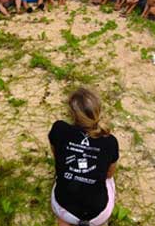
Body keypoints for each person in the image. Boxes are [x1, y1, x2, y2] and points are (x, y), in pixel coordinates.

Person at [49, 88, 119, 226]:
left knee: (63, 179)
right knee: (109, 180)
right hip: (99, 213)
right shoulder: (110, 141)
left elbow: (57, 156)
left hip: (63, 208)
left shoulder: (59, 129)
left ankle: (63, 221)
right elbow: (109, 173)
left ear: (71, 113)